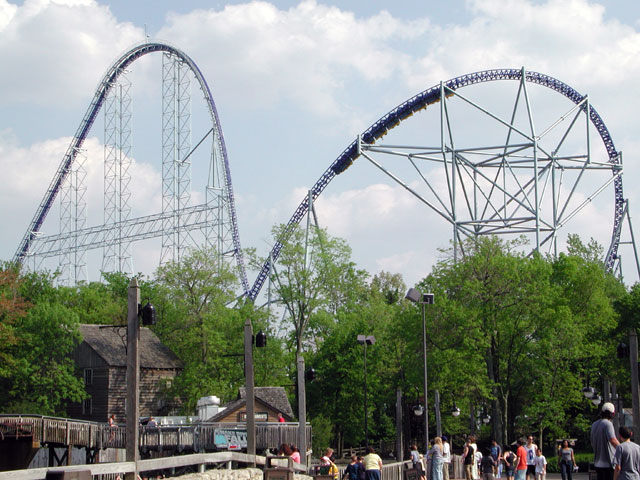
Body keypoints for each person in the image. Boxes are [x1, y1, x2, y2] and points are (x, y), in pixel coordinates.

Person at [591, 402, 621, 480]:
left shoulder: (594, 424)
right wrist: (622, 448)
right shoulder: (608, 424)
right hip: (608, 463)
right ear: (612, 414)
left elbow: (592, 441)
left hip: (597, 462)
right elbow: (612, 440)